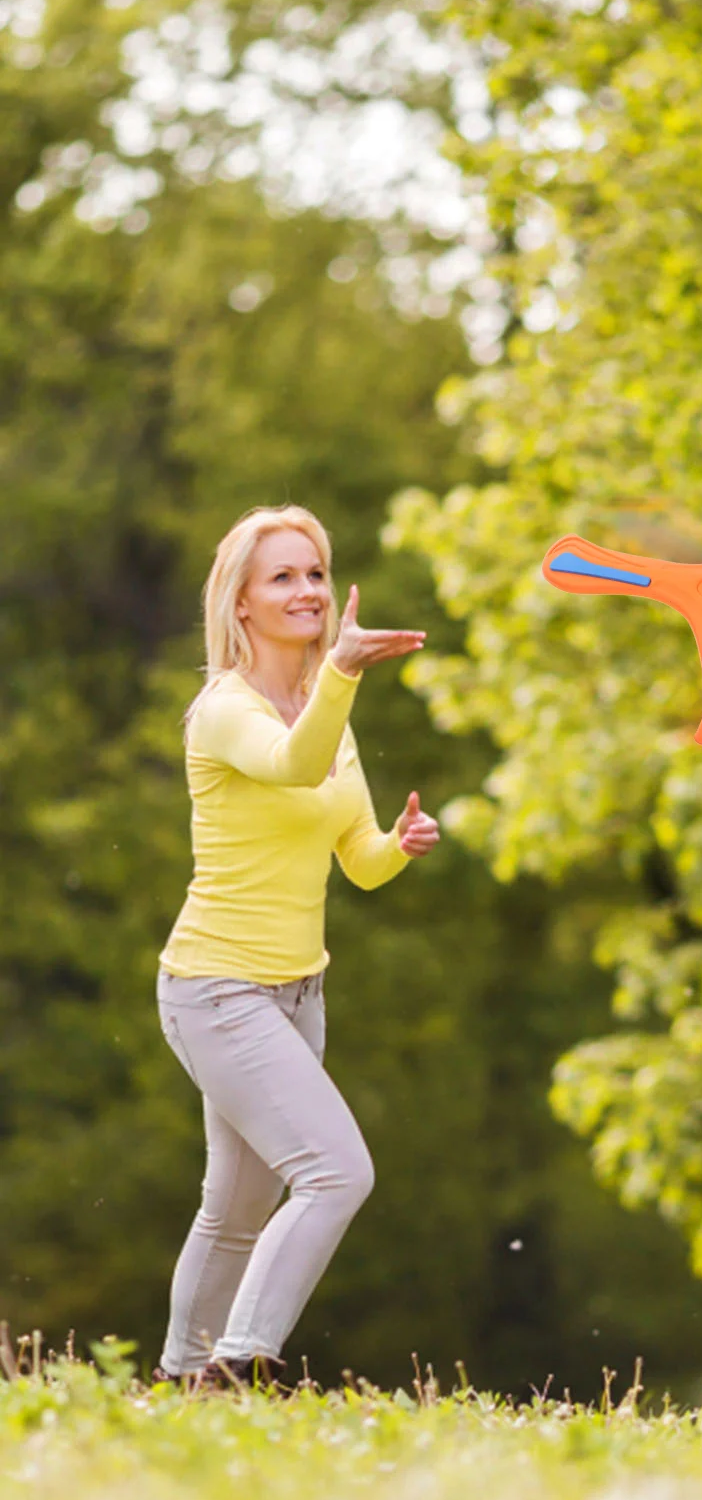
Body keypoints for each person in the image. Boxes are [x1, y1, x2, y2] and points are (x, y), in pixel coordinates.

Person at [151, 505, 440, 1389]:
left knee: (237, 1210)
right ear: (240, 603)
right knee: (336, 1173)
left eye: (315, 572)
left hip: (297, 995)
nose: (307, 590)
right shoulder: (223, 712)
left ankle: (175, 1385)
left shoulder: (327, 714)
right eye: (283, 576)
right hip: (216, 989)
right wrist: (344, 676)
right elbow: (292, 765)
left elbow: (356, 862)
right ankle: (235, 1367)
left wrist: (399, 844)